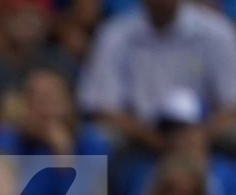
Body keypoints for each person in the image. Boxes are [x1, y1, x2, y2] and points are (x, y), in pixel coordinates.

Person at [77, 0, 236, 154]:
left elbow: (232, 104)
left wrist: (200, 135)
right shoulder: (115, 34)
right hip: (138, 135)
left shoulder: (216, 32)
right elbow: (101, 107)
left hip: (205, 131)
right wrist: (151, 138)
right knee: (95, 139)